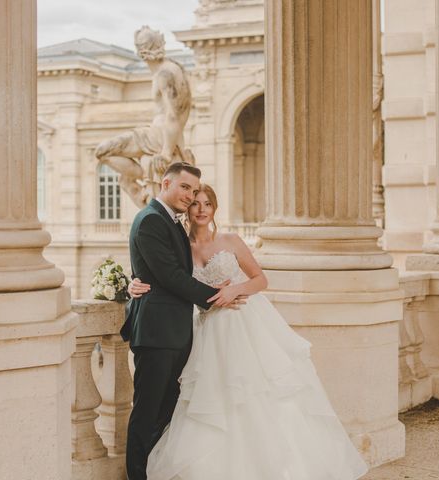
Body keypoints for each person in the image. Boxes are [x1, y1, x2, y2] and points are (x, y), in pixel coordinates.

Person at [128, 184, 369, 480]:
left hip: (241, 322)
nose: (202, 209)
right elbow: (164, 274)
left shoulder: (230, 240)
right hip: (204, 331)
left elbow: (260, 279)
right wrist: (133, 283)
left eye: (208, 203)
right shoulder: (180, 247)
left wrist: (235, 290)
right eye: (196, 204)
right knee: (210, 397)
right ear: (187, 210)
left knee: (252, 393)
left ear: (214, 209)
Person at [122, 163, 246, 480]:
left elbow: (160, 270)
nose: (190, 196)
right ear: (166, 183)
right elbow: (171, 276)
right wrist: (219, 296)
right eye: (185, 188)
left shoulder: (172, 222)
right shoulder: (150, 219)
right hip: (156, 333)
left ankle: (152, 469)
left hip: (177, 332)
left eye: (194, 190)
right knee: (147, 410)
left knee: (167, 410)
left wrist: (135, 279)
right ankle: (137, 475)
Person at [95, 26, 195, 207]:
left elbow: (173, 116)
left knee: (103, 150)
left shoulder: (165, 74)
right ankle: (144, 177)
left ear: (141, 50)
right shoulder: (172, 68)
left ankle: (143, 174)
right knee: (121, 175)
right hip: (160, 135)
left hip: (157, 137)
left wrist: (165, 153)